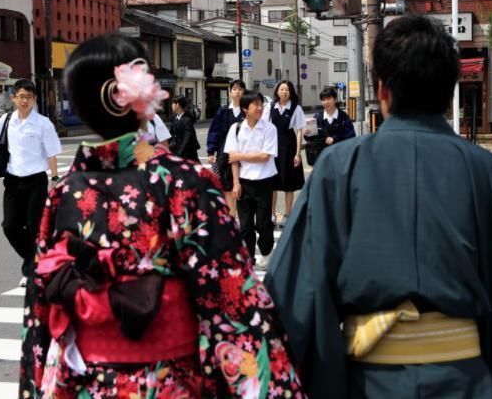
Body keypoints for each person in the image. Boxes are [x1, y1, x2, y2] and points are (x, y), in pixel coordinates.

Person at [265, 15, 492, 399]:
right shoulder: (486, 172)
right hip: (466, 382)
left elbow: (294, 296)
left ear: (382, 90)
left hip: (370, 384)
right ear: (448, 89)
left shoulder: (337, 168)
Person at [19, 34, 305, 399]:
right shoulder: (185, 182)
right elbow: (232, 303)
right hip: (167, 383)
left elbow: (39, 312)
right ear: (142, 97)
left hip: (79, 384)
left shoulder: (62, 196)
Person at [0, 79, 62, 287]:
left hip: (36, 181)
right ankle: (35, 261)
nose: (25, 101)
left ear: (34, 100)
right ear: (13, 98)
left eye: (29, 97)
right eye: (21, 96)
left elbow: (52, 154)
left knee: (34, 227)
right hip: (13, 181)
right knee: (10, 225)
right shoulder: (7, 120)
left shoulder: (43, 123)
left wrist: (54, 179)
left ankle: (29, 269)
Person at [225, 90, 277, 271]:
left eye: (261, 104)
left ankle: (266, 252)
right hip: (244, 182)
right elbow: (233, 160)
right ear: (245, 108)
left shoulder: (270, 129)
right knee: (245, 225)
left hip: (264, 181)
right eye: (255, 104)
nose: (260, 107)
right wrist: (236, 183)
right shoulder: (236, 129)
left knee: (263, 223)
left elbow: (264, 156)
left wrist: (240, 155)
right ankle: (248, 257)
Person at [262, 80, 305, 228]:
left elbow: (299, 131)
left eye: (287, 89)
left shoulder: (296, 108)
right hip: (272, 148)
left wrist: (298, 153)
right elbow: (263, 127)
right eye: (281, 89)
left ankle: (287, 215)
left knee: (289, 184)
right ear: (277, 92)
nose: (284, 92)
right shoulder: (270, 106)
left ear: (291, 92)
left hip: (289, 147)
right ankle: (272, 215)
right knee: (272, 184)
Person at [206, 79, 246, 216]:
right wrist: (211, 151)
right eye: (234, 89)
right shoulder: (223, 111)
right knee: (227, 186)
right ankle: (232, 218)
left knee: (242, 185)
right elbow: (214, 131)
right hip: (224, 154)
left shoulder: (247, 111)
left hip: (244, 154)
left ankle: (242, 218)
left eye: (240, 89)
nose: (237, 92)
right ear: (230, 92)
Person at [304, 87, 355, 165]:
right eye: (323, 100)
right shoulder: (317, 117)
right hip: (321, 158)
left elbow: (351, 136)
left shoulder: (343, 117)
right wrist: (307, 134)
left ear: (335, 99)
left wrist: (334, 139)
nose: (326, 102)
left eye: (328, 99)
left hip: (340, 158)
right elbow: (312, 139)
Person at [169, 95, 200, 162]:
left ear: (177, 105)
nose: (171, 105)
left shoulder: (187, 120)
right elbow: (171, 135)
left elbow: (187, 138)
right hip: (176, 150)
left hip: (187, 153)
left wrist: (180, 153)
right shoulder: (174, 118)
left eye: (173, 103)